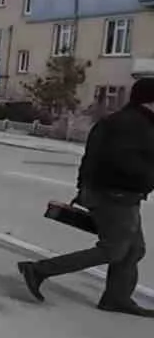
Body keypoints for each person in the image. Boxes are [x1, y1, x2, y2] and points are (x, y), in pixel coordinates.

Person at [18, 76, 154, 317]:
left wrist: (84, 188)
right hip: (116, 195)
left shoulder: (120, 121)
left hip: (112, 193)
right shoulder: (135, 126)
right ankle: (39, 270)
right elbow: (124, 163)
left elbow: (90, 157)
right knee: (114, 250)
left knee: (134, 249)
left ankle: (116, 298)